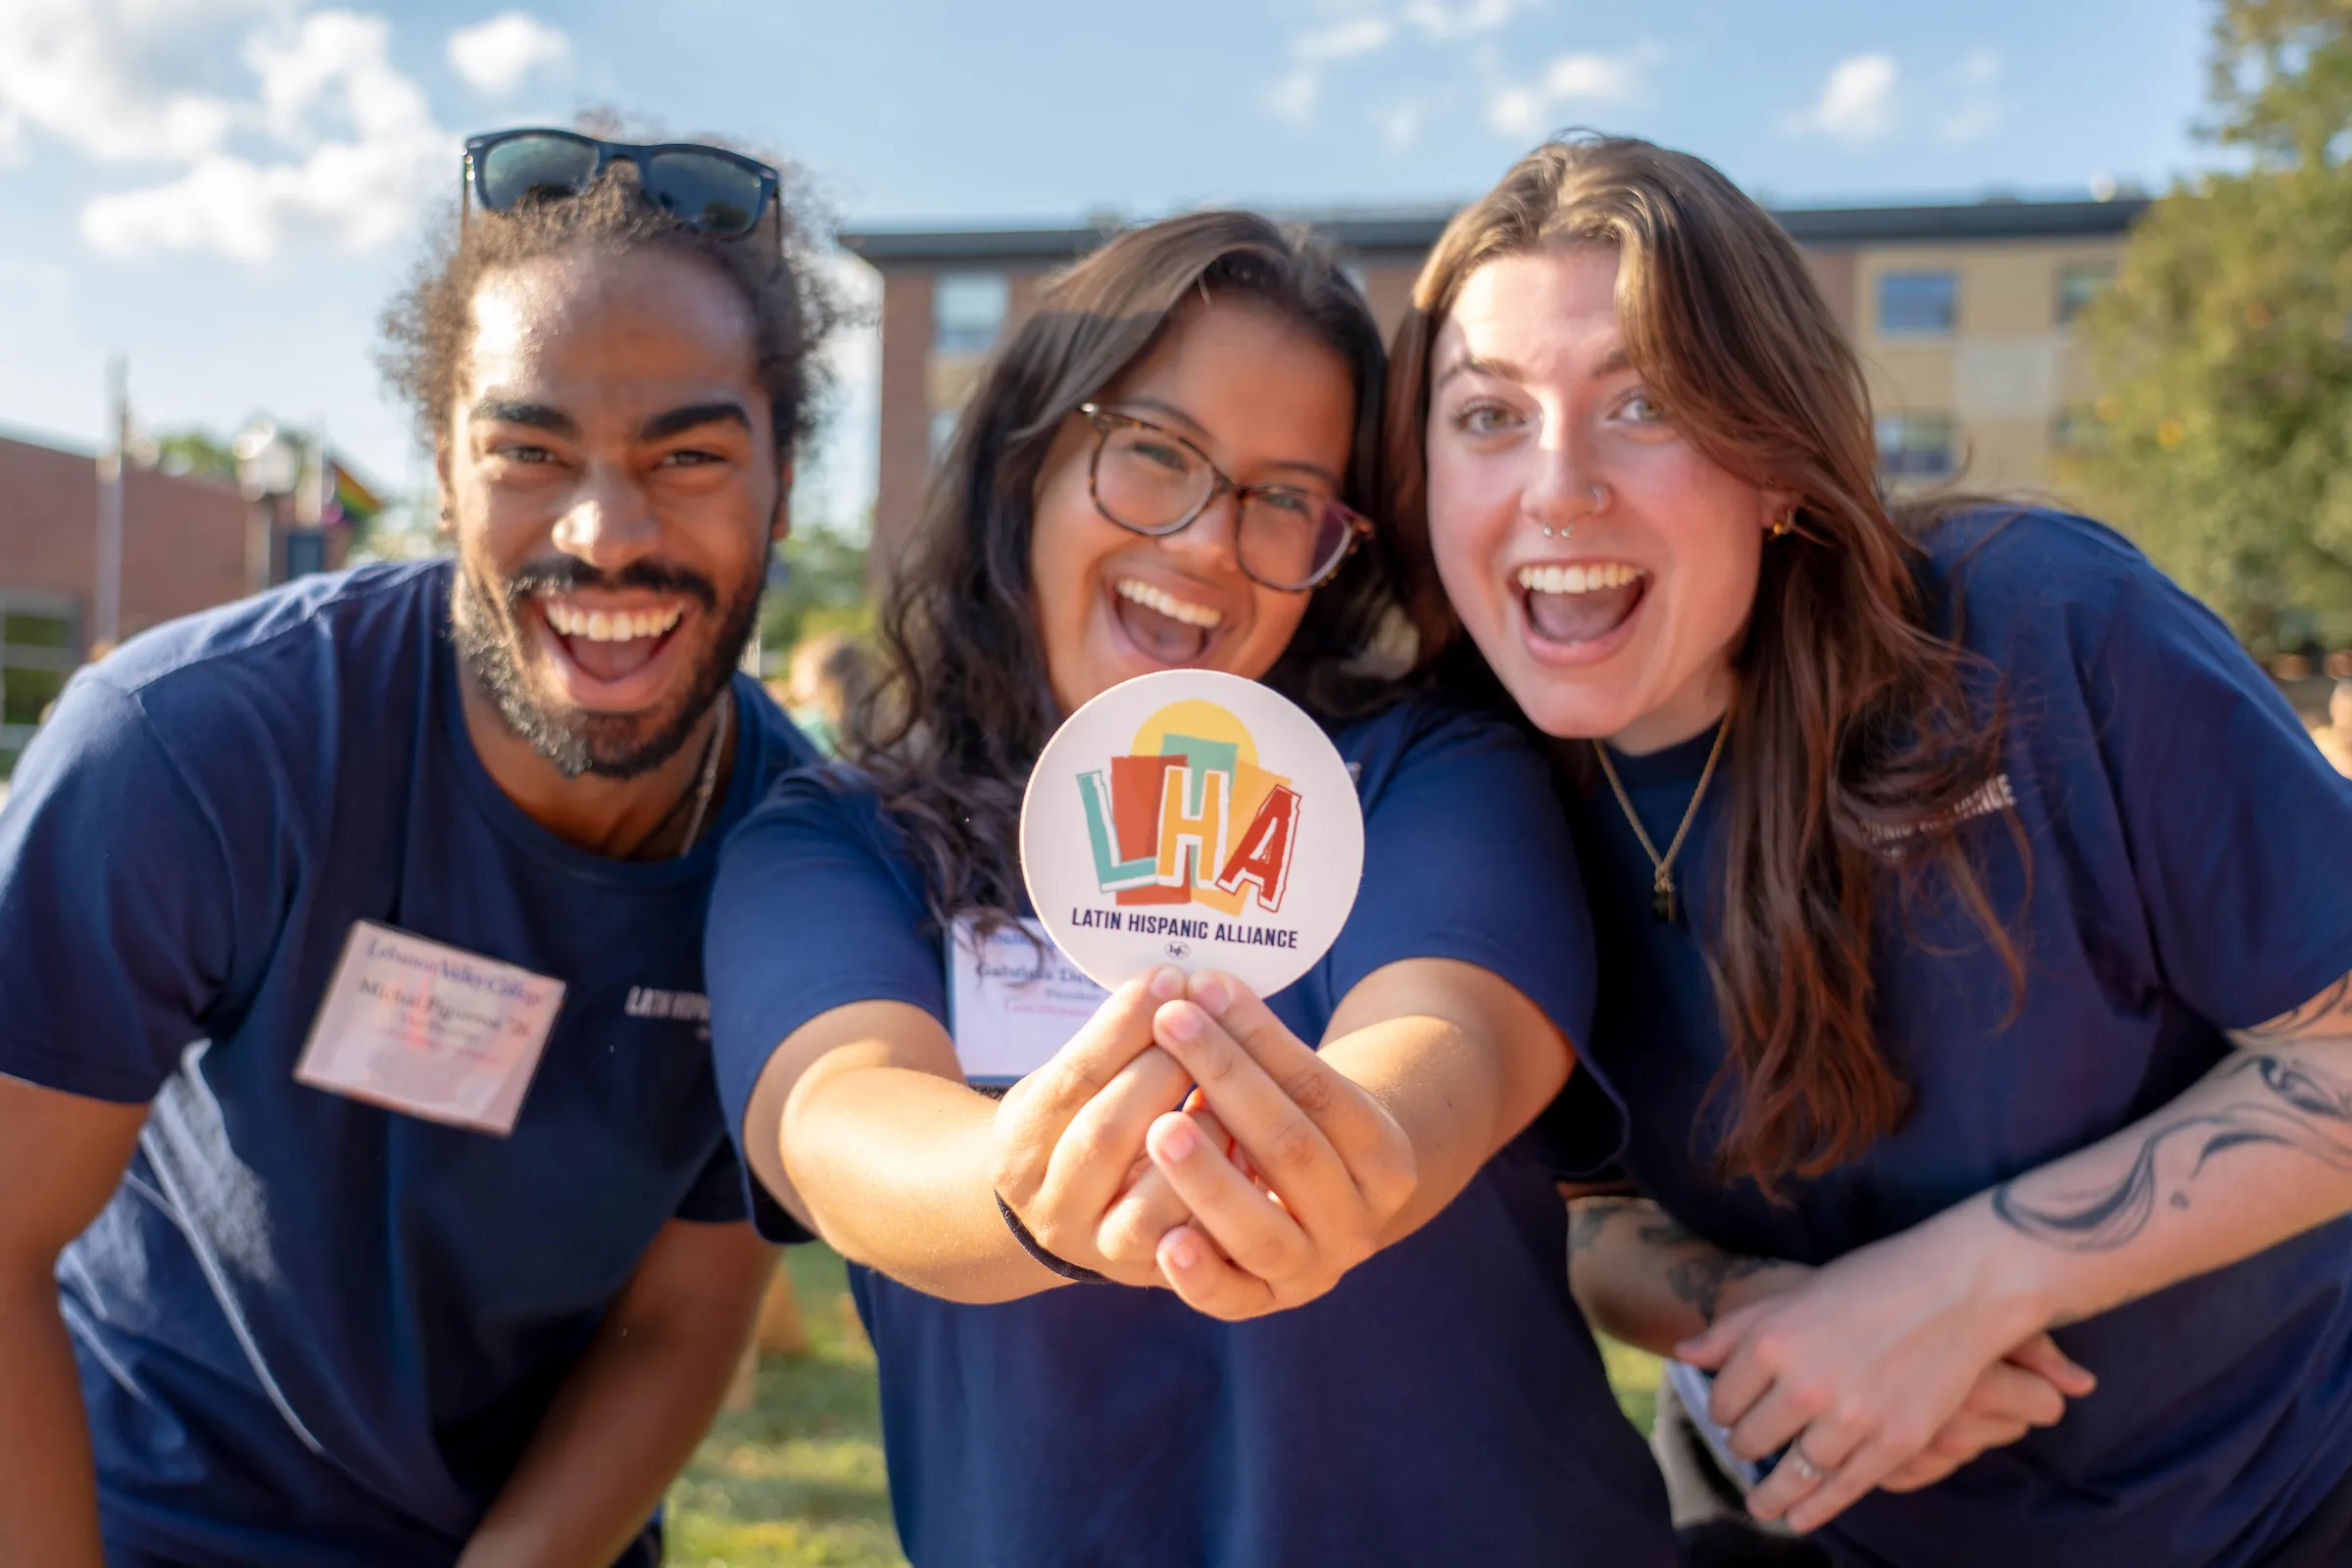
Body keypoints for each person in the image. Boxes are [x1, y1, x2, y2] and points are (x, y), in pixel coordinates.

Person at [1389, 131, 2352, 1568]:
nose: (1557, 485)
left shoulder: (2041, 635)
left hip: (2273, 1500)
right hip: (1821, 1525)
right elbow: (1585, 1213)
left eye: (1641, 401)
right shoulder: (1471, 787)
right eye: (1487, 416)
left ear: (1776, 459)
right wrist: (1768, 1317)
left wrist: (1963, 1287)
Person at [703, 211, 1677, 1567]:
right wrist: (1028, 1186)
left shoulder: (1422, 772)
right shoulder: (835, 841)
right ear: (1027, 462)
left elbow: (1452, 1030)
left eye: (1285, 497)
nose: (1212, 543)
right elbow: (837, 1120)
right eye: (1155, 454)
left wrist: (1359, 1159)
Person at [0, 127, 833, 1567]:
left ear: (782, 480)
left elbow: (687, 1314)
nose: (605, 532)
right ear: (444, 474)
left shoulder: (804, 859)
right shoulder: (195, 750)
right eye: (529, 451)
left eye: (688, 455)